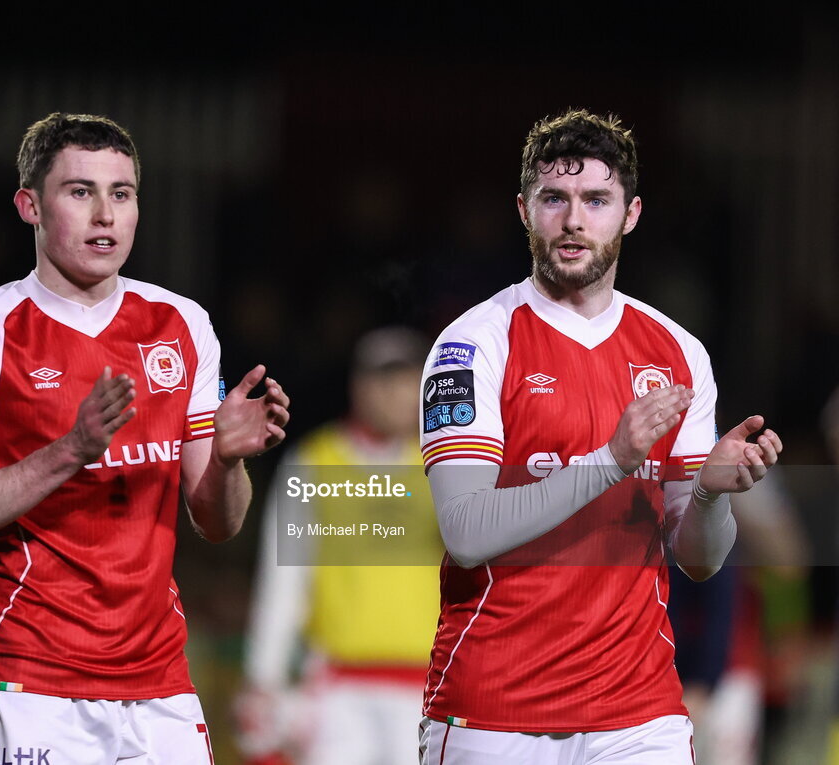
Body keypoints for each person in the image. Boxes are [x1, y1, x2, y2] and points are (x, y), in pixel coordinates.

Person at [0, 112, 290, 764]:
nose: (105, 214)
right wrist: (70, 450)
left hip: (159, 684)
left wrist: (226, 460)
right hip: (29, 679)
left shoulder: (182, 323)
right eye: (80, 191)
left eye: (122, 193)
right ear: (29, 204)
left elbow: (218, 522)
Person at [417, 108, 783, 764]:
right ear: (525, 210)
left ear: (631, 213)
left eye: (596, 199)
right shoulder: (473, 344)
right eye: (554, 198)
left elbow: (698, 558)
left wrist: (708, 495)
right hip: (495, 708)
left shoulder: (678, 351)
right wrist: (611, 460)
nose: (574, 220)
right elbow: (466, 533)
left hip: (638, 715)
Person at [238, 326, 442, 765]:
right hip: (337, 692)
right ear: (360, 386)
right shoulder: (314, 461)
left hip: (429, 690)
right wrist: (264, 678)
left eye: (411, 381)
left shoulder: (447, 464)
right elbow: (284, 577)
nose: (399, 394)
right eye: (386, 381)